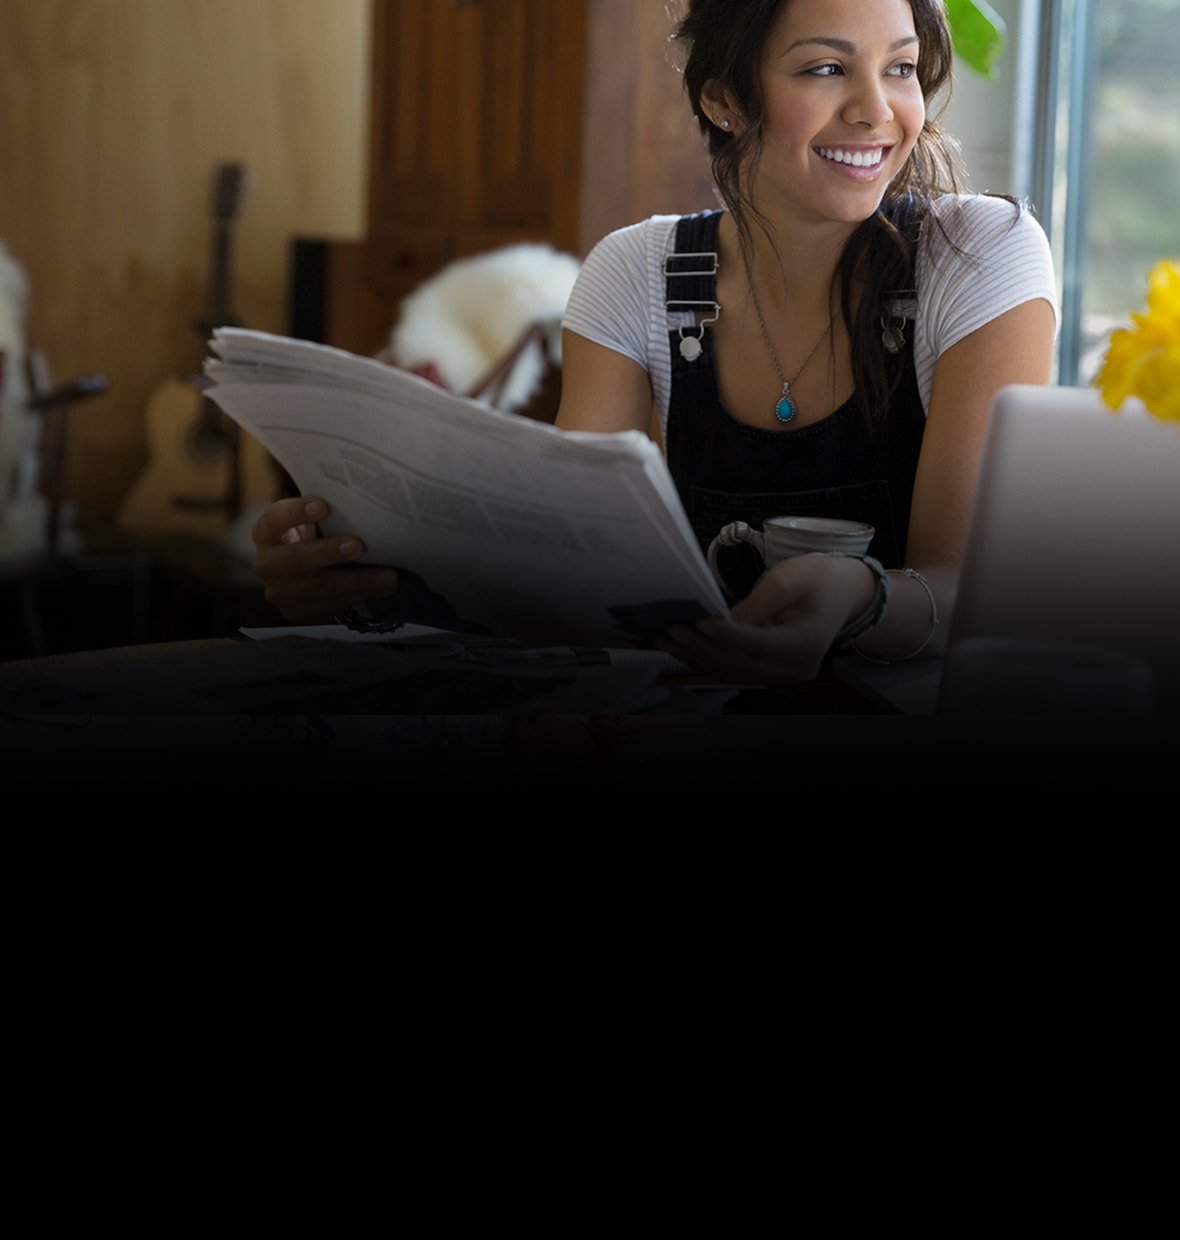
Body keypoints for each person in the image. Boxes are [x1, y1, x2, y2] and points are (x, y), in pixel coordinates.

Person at [251, 0, 1056, 692]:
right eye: (823, 69)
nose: (877, 109)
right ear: (723, 101)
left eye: (902, 68)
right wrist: (370, 583)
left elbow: (970, 592)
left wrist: (861, 596)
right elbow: (565, 571)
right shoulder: (637, 271)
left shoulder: (981, 255)